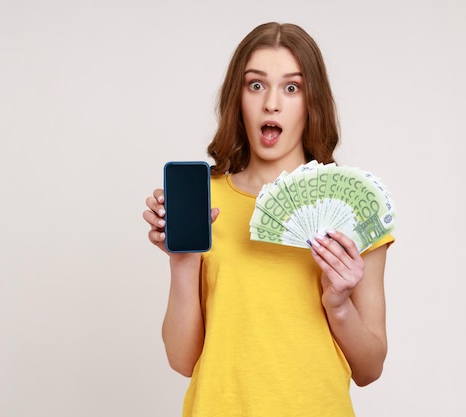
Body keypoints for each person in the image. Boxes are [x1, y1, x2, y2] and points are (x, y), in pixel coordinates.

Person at [143, 22, 394, 417]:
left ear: (312, 102)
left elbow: (370, 368)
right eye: (256, 85)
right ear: (237, 98)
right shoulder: (204, 203)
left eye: (291, 87)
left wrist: (339, 304)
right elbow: (182, 360)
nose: (271, 103)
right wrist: (183, 260)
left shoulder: (355, 213)